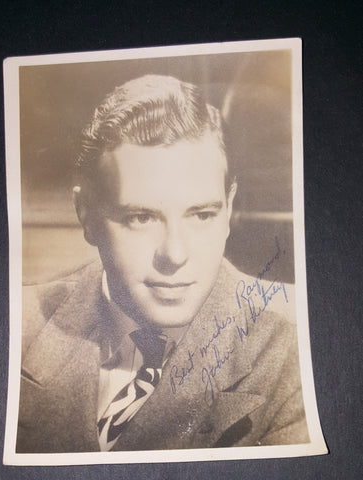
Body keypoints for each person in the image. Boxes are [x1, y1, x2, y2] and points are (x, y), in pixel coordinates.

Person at [16, 75, 309, 453]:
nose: (175, 254)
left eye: (201, 215)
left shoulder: (296, 342)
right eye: (141, 217)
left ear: (229, 207)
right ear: (86, 215)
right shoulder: (17, 326)